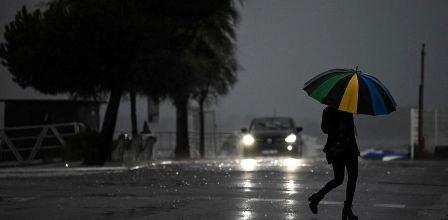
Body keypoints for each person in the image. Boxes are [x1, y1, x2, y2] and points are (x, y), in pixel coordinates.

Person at [308, 106, 360, 220]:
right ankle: (317, 197)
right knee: (339, 179)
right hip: (337, 149)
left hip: (350, 148)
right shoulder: (329, 110)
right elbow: (324, 128)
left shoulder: (349, 110)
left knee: (352, 177)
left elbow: (350, 130)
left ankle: (347, 209)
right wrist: (338, 129)